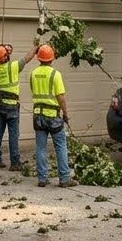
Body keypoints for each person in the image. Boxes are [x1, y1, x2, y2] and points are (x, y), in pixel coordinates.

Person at [29, 45, 79, 187]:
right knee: (60, 146)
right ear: (51, 58)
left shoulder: (33, 73)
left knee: (40, 147)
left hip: (38, 116)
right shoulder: (55, 74)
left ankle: (42, 178)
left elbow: (34, 91)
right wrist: (66, 114)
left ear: (39, 58)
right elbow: (60, 97)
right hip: (53, 116)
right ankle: (64, 179)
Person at [0, 43, 35, 169]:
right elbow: (27, 58)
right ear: (6, 56)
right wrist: (36, 47)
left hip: (0, 106)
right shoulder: (13, 67)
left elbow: (3, 57)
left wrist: (5, 50)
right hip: (12, 107)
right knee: (13, 135)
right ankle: (15, 163)